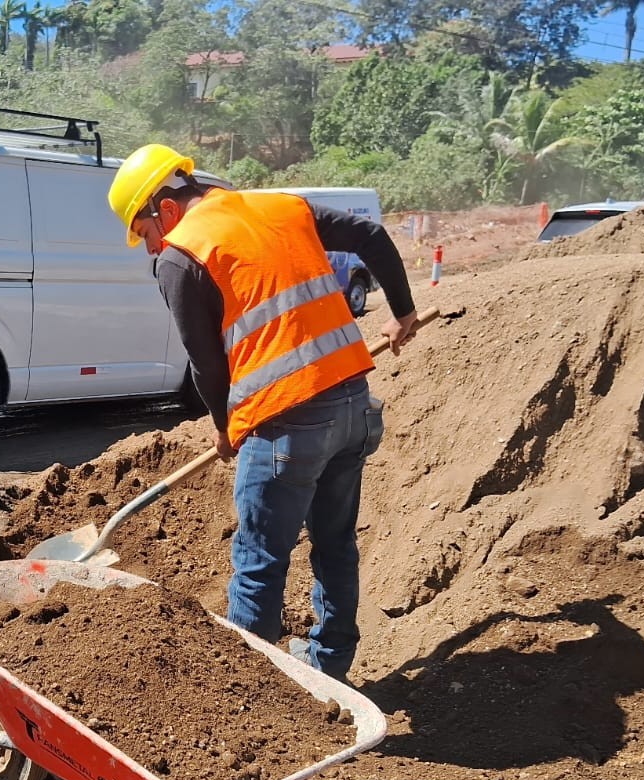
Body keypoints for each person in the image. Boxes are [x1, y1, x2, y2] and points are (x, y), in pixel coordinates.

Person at [107, 144, 419, 683]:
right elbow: (370, 235)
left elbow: (205, 364)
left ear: (167, 210)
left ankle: (252, 700)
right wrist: (404, 311)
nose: (150, 248)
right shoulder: (281, 207)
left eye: (146, 233)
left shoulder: (181, 255)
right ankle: (329, 671)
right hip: (352, 406)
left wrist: (225, 427)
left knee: (258, 564)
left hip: (286, 424)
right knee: (336, 544)